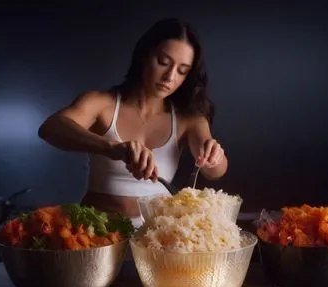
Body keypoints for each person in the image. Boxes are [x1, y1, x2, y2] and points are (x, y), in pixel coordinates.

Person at [38, 18, 228, 228]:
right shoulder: (102, 103)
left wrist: (214, 157)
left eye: (182, 70)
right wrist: (111, 148)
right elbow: (50, 128)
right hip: (96, 234)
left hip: (154, 239)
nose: (170, 77)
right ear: (144, 56)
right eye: (163, 62)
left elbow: (215, 172)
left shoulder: (189, 119)